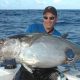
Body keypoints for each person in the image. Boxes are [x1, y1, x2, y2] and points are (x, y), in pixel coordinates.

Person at [20, 6, 62, 80]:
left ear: (56, 19)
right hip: (29, 67)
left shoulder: (58, 36)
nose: (48, 20)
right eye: (46, 17)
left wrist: (68, 58)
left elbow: (60, 57)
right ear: (43, 18)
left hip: (48, 69)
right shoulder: (32, 28)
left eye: (51, 18)